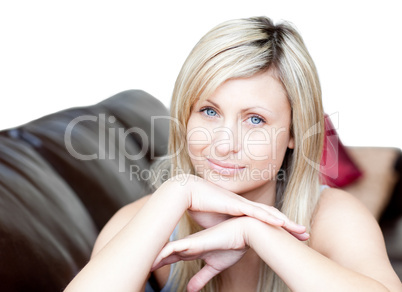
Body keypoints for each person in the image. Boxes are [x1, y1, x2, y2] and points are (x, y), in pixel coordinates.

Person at [65, 16, 402, 292]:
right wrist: (178, 190)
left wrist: (256, 231)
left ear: (294, 133)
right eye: (209, 112)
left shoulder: (333, 217)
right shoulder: (140, 223)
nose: (225, 144)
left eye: (255, 119)